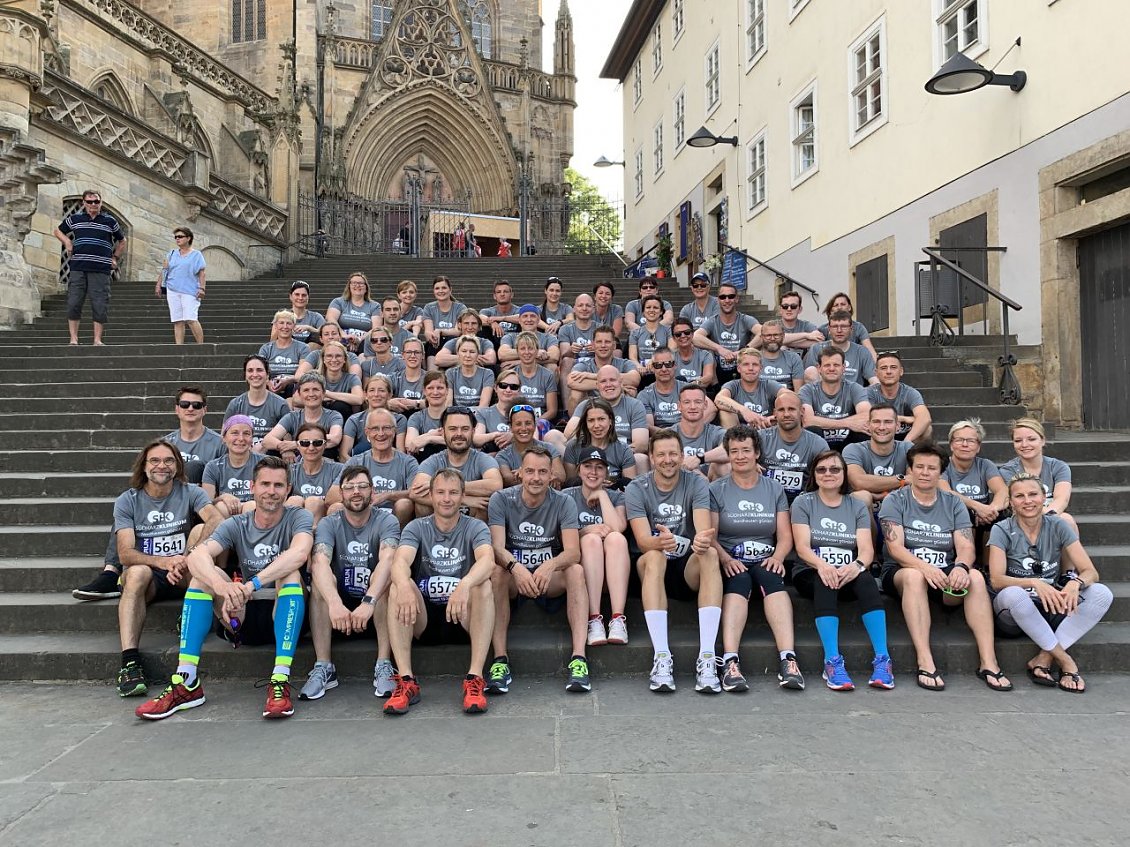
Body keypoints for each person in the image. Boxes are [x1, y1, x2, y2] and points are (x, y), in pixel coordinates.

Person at [135, 457, 312, 720]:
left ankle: (280, 680)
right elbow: (197, 557)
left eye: (278, 485)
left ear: (288, 490)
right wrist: (223, 585)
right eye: (265, 484)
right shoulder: (237, 523)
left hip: (285, 614)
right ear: (252, 486)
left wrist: (251, 584)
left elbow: (299, 553)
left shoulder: (299, 516)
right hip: (241, 616)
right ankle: (187, 680)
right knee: (202, 578)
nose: (271, 491)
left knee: (290, 574)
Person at [878, 443, 1011, 692]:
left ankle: (988, 662)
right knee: (914, 577)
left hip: (945, 571)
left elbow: (966, 545)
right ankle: (925, 659)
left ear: (940, 472)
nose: (925, 473)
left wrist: (961, 566)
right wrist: (925, 568)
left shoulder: (953, 502)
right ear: (910, 469)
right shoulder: (895, 500)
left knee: (976, 578)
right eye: (919, 467)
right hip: (901, 571)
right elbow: (896, 549)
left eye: (931, 468)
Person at [113, 440, 222, 697]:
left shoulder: (190, 492)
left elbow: (216, 519)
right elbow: (125, 554)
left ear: (177, 465)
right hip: (149, 575)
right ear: (144, 466)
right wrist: (164, 561)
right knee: (137, 572)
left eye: (169, 460)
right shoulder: (128, 500)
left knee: (199, 532)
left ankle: (190, 611)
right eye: (155, 460)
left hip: (182, 571)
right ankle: (129, 662)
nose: (162, 465)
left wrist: (187, 558)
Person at [384, 469, 496, 715]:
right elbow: (401, 561)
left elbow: (488, 561)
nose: (447, 499)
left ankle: (474, 678)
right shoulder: (416, 527)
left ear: (463, 496)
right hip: (424, 617)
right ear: (431, 497)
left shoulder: (475, 527)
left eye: (453, 493)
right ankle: (406, 681)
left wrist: (464, 584)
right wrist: (403, 585)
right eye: (441, 493)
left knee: (484, 584)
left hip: (464, 616)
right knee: (398, 586)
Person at [988, 474, 1113, 693]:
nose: (1027, 500)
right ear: (1011, 502)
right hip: (1013, 612)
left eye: (1033, 494)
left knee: (1102, 593)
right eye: (1020, 496)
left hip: (1049, 604)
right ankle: (1066, 662)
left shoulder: (1057, 525)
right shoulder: (1002, 529)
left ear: (1044, 497)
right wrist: (1034, 583)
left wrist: (1076, 582)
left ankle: (1044, 657)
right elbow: (997, 580)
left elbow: (1090, 571)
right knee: (1015, 595)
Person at [626, 430, 723, 693]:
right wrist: (662, 542)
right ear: (651, 457)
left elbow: (703, 531)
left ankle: (706, 658)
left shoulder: (695, 483)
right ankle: (661, 657)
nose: (667, 460)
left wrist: (702, 542)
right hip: (650, 567)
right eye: (661, 454)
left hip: (684, 569)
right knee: (655, 555)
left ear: (682, 456)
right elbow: (643, 540)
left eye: (673, 454)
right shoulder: (637, 487)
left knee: (710, 553)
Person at [488, 446, 589, 693]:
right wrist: (516, 567)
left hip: (548, 577)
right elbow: (497, 549)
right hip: (515, 576)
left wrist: (551, 564)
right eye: (530, 471)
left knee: (575, 570)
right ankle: (500, 660)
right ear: (519, 473)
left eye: (542, 472)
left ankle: (579, 659)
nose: (536, 477)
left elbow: (573, 552)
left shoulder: (564, 501)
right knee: (496, 572)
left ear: (551, 475)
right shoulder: (501, 499)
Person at [710, 426, 803, 693]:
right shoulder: (716, 489)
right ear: (728, 455)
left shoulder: (773, 488)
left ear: (757, 453)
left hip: (765, 557)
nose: (740, 456)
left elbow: (785, 535)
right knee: (738, 581)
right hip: (731, 558)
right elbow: (711, 535)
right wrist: (725, 559)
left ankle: (788, 658)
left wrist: (778, 555)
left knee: (772, 579)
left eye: (746, 450)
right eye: (734, 451)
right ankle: (730, 661)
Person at [791, 449, 894, 691]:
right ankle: (832, 661)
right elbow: (802, 548)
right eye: (822, 469)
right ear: (814, 475)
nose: (828, 474)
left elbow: (867, 551)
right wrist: (823, 565)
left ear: (844, 474)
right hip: (810, 571)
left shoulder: (856, 505)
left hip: (847, 570)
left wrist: (856, 566)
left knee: (867, 580)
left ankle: (883, 659)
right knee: (824, 580)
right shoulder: (803, 502)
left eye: (835, 469)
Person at [302, 465, 402, 701]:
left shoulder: (387, 521)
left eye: (362, 486)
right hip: (340, 611)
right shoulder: (329, 522)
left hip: (374, 603)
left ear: (372, 491)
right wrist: (335, 603)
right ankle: (324, 666)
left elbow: (389, 559)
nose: (356, 492)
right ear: (341, 493)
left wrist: (368, 601)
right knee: (319, 582)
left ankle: (384, 663)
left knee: (387, 577)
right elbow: (319, 561)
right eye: (350, 487)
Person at [564, 447, 630, 646]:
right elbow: (559, 536)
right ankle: (595, 619)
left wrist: (602, 495)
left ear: (606, 472)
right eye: (587, 466)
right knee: (590, 539)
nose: (593, 472)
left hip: (613, 566)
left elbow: (617, 528)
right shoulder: (567, 496)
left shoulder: (616, 496)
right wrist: (585, 531)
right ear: (578, 469)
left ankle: (618, 618)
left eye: (599, 468)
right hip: (585, 565)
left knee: (616, 538)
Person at [53, 189, 125, 346]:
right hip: (78, 266)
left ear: (101, 203)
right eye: (90, 201)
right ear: (84, 203)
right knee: (74, 302)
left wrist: (115, 258)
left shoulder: (110, 221)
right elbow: (58, 231)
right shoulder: (76, 219)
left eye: (96, 201)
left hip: (101, 268)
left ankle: (97, 340)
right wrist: (67, 242)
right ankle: (73, 339)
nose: (93, 204)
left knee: (100, 303)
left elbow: (122, 241)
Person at [330, 408, 419, 527]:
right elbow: (331, 496)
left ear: (394, 431)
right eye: (375, 429)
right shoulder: (356, 461)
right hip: (361, 514)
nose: (381, 434)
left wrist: (387, 495)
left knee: (404, 504)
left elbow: (417, 492)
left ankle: (395, 541)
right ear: (367, 432)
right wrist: (363, 497)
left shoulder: (408, 462)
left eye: (386, 428)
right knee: (335, 508)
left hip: (394, 517)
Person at [410, 406, 503, 518]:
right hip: (438, 523)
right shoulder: (433, 461)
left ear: (473, 432)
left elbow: (496, 485)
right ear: (443, 433)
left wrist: (445, 489)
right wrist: (464, 499)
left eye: (465, 429)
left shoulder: (483, 459)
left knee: (484, 504)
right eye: (453, 429)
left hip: (473, 524)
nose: (459, 434)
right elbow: (415, 493)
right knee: (422, 504)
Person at [998, 418, 1076, 533]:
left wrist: (1048, 517)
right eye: (1018, 440)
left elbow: (1062, 499)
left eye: (1031, 439)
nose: (1024, 445)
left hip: (1052, 514)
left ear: (1043, 440)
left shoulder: (1058, 467)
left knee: (1066, 520)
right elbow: (1017, 505)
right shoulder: (1007, 470)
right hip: (1021, 517)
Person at [940, 419, 1008, 551]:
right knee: (965, 513)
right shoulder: (943, 466)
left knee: (1000, 517)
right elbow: (946, 493)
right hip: (952, 518)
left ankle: (988, 568)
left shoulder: (985, 465)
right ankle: (967, 562)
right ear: (951, 445)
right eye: (959, 440)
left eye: (971, 441)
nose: (965, 444)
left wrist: (990, 510)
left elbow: (1003, 491)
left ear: (978, 447)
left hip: (983, 519)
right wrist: (978, 507)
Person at [759, 390, 830, 502]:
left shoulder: (818, 444)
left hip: (804, 502)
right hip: (765, 499)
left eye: (791, 409)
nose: (786, 414)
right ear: (775, 413)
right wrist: (749, 465)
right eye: (781, 410)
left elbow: (827, 477)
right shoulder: (760, 438)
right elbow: (733, 454)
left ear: (802, 411)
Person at [564, 366, 649, 458]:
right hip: (590, 455)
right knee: (553, 435)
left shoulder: (635, 405)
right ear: (597, 385)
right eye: (603, 381)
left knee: (641, 458)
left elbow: (641, 444)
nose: (608, 385)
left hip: (622, 456)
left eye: (612, 380)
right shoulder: (586, 405)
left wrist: (611, 454)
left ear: (621, 383)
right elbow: (569, 434)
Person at [843, 403, 913, 512]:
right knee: (862, 497)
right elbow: (858, 481)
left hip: (899, 513)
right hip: (864, 519)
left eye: (888, 422)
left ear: (898, 426)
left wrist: (882, 493)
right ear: (868, 425)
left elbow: (914, 481)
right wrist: (902, 479)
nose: (881, 427)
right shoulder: (853, 449)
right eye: (876, 421)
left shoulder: (907, 448)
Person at [799, 348, 871, 452]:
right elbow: (808, 421)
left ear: (843, 368)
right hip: (820, 442)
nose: (831, 369)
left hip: (848, 442)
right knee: (812, 430)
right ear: (819, 368)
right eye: (827, 365)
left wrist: (823, 422)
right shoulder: (808, 390)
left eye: (836, 365)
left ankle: (854, 464)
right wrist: (848, 424)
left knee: (863, 431)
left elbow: (866, 416)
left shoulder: (855, 388)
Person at [262, 373, 344, 462]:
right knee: (271, 453)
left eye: (315, 389)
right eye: (306, 390)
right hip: (296, 463)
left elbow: (335, 438)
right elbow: (267, 440)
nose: (311, 394)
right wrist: (285, 449)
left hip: (322, 462)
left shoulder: (334, 416)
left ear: (323, 394)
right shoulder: (292, 417)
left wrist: (296, 444)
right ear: (300, 394)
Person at [693, 282, 760, 386]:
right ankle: (716, 389)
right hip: (718, 370)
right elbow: (695, 337)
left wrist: (744, 351)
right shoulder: (712, 321)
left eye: (731, 296)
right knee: (708, 353)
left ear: (736, 299)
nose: (727, 300)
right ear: (718, 300)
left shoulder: (746, 319)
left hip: (741, 366)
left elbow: (764, 333)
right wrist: (720, 349)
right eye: (723, 297)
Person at [563, 398, 638, 488]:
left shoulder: (623, 449)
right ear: (585, 423)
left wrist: (613, 485)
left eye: (601, 419)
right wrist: (592, 483)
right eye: (591, 420)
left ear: (610, 421)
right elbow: (569, 484)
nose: (597, 425)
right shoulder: (573, 447)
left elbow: (630, 487)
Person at [566, 325, 642, 411]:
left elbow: (635, 379)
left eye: (607, 342)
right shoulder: (583, 365)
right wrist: (615, 386)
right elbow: (571, 381)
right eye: (599, 342)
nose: (603, 345)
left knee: (631, 392)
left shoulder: (625, 364)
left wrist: (591, 376)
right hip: (591, 410)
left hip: (618, 407)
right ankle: (577, 423)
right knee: (576, 393)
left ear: (614, 346)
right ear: (593, 345)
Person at [224, 355, 290, 451]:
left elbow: (287, 439)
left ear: (267, 375)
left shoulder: (281, 404)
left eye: (259, 370)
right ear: (245, 376)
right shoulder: (235, 404)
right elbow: (225, 436)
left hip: (271, 458)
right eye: (250, 370)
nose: (255, 374)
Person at [202, 416, 263, 518]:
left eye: (246, 434)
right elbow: (206, 503)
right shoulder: (213, 466)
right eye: (235, 433)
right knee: (220, 506)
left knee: (251, 507)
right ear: (224, 438)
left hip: (256, 514)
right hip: (227, 516)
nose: (241, 438)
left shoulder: (264, 463)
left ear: (252, 438)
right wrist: (223, 497)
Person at [164, 386, 225, 484]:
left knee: (194, 467)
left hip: (205, 495)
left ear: (205, 410)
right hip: (172, 495)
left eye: (196, 405)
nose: (190, 408)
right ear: (177, 409)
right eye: (184, 404)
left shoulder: (220, 444)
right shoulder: (166, 444)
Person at [866, 351, 932, 443]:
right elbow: (866, 418)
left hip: (903, 434)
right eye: (883, 368)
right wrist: (905, 418)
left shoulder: (910, 392)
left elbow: (925, 418)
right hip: (879, 432)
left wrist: (906, 442)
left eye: (893, 367)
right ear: (876, 373)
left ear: (901, 371)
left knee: (927, 429)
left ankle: (910, 455)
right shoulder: (869, 392)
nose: (888, 372)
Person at [495, 405, 566, 488]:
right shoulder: (502, 456)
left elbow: (561, 476)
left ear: (535, 426)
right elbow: (508, 479)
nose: (524, 428)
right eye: (518, 424)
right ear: (511, 428)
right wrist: (546, 474)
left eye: (528, 423)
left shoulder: (549, 448)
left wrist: (522, 474)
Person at [285, 423, 343, 524]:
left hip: (326, 522)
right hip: (296, 522)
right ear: (297, 446)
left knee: (315, 502)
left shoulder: (340, 469)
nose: (311, 448)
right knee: (294, 500)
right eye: (305, 443)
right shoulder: (289, 471)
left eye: (317, 443)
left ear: (325, 445)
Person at [156, 226, 205, 344]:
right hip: (173, 289)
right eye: (176, 237)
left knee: (191, 318)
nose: (177, 239)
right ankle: (179, 348)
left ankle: (201, 346)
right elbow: (164, 270)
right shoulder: (171, 254)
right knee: (177, 320)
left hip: (190, 290)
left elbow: (202, 273)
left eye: (180, 237)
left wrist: (202, 288)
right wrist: (158, 285)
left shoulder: (196, 255)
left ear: (188, 238)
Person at [803, 310, 878, 386]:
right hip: (824, 394)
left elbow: (873, 379)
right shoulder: (817, 349)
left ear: (851, 329)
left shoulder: (862, 351)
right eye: (835, 327)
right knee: (810, 371)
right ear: (829, 329)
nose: (839, 330)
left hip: (853, 395)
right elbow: (809, 376)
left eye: (844, 326)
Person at [715, 348, 785, 429]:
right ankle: (733, 440)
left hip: (765, 431)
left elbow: (790, 396)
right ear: (739, 368)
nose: (751, 368)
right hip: (739, 433)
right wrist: (745, 411)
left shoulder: (768, 385)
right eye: (746, 364)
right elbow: (719, 399)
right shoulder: (733, 385)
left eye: (755, 364)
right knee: (725, 411)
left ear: (761, 368)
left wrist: (776, 416)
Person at [340, 374, 407, 457]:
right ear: (365, 395)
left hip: (389, 465)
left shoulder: (399, 419)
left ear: (389, 395)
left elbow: (401, 453)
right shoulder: (354, 420)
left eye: (381, 390)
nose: (376, 394)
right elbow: (343, 454)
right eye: (372, 390)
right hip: (359, 467)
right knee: (361, 448)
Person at [673, 385, 726, 476]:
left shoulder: (716, 432)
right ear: (679, 406)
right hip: (678, 484)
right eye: (687, 402)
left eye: (698, 402)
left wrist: (699, 458)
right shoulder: (669, 434)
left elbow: (730, 450)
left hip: (710, 484)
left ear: (705, 405)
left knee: (725, 466)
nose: (693, 407)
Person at [512, 332, 562, 429]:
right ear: (517, 352)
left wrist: (534, 422)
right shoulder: (512, 375)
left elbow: (552, 411)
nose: (527, 352)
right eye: (522, 349)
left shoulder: (548, 375)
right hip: (517, 419)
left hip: (541, 420)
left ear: (537, 351)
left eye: (530, 348)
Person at [558, 293, 598, 411]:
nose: (584, 308)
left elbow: (609, 351)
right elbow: (564, 354)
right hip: (574, 366)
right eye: (580, 305)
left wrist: (597, 349)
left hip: (595, 364)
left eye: (588, 306)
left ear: (593, 309)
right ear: (574, 309)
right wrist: (571, 350)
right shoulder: (565, 329)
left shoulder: (600, 328)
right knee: (566, 361)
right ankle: (566, 410)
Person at [258, 310, 310, 397]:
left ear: (294, 326)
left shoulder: (303, 348)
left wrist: (288, 380)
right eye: (281, 323)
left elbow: (303, 373)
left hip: (293, 385)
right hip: (271, 385)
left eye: (289, 323)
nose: (285, 327)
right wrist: (268, 383)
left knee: (292, 387)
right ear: (275, 326)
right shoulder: (266, 348)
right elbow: (260, 370)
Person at [326, 272, 381, 351]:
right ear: (349, 287)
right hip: (341, 340)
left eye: (361, 283)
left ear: (366, 288)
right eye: (354, 283)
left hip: (365, 342)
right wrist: (344, 335)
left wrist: (359, 339)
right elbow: (331, 319)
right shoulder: (338, 302)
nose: (357, 285)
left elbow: (376, 328)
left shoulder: (375, 306)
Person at [404, 371, 450, 461]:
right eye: (430, 388)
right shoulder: (416, 417)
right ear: (424, 391)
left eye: (440, 388)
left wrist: (429, 439)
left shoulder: (456, 415)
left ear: (447, 390)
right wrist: (432, 435)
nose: (435, 392)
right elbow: (410, 445)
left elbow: (461, 443)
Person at [818, 292, 878, 360]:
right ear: (831, 310)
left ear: (849, 307)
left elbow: (869, 350)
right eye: (836, 305)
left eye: (843, 304)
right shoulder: (823, 329)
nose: (839, 307)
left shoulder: (858, 327)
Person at [638, 347, 686, 431]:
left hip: (685, 435)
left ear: (675, 366)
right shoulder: (644, 395)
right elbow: (649, 427)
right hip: (658, 438)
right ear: (652, 368)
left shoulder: (687, 389)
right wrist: (671, 434)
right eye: (658, 365)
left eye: (668, 364)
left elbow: (711, 409)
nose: (664, 369)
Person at [422, 275, 466, 367]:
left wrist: (440, 331)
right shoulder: (429, 307)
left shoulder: (460, 308)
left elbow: (458, 331)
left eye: (444, 288)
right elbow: (427, 331)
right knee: (431, 345)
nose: (440, 291)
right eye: (437, 288)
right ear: (433, 291)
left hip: (455, 344)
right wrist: (432, 336)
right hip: (435, 344)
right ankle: (432, 373)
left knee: (451, 340)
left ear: (450, 290)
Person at [628, 294, 675, 378]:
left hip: (662, 369)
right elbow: (632, 357)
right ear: (643, 312)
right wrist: (638, 366)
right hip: (642, 372)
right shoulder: (635, 333)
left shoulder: (668, 330)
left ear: (661, 312)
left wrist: (654, 360)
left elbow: (671, 350)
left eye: (655, 308)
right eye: (648, 307)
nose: (652, 310)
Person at [315, 341, 363, 419]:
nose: (334, 360)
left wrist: (327, 394)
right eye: (329, 356)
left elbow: (359, 399)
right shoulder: (314, 377)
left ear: (344, 359)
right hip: (318, 419)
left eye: (338, 356)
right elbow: (297, 400)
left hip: (343, 417)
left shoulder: (352, 378)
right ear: (323, 359)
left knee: (340, 405)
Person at [445, 336, 495, 407]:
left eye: (472, 352)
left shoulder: (487, 374)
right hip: (455, 415)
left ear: (478, 354)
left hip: (478, 416)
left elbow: (483, 406)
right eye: (464, 351)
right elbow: (448, 404)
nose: (468, 355)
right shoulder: (450, 373)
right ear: (458, 353)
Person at [756, 320, 805, 391]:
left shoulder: (794, 358)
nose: (772, 339)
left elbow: (798, 392)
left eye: (776, 335)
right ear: (761, 337)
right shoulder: (753, 358)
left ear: (783, 336)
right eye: (768, 335)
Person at [671, 317, 716, 390]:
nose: (683, 336)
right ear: (673, 338)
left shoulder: (705, 355)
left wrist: (691, 385)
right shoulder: (670, 357)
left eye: (687, 332)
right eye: (678, 334)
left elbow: (708, 377)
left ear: (692, 334)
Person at [389, 338, 427, 416]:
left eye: (417, 352)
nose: (413, 356)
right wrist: (388, 403)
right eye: (409, 352)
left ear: (423, 355)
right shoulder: (393, 378)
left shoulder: (431, 378)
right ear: (403, 355)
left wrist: (415, 403)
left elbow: (439, 402)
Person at [284, 280, 325, 347]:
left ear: (308, 297)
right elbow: (273, 340)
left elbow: (325, 334)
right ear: (290, 296)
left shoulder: (316, 317)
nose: (300, 298)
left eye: (304, 295)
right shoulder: (282, 316)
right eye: (297, 294)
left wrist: (309, 328)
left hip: (311, 353)